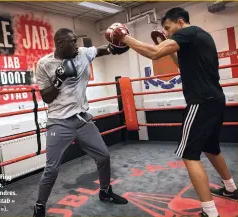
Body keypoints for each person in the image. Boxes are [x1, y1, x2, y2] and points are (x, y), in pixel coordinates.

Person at [107, 7, 238, 217]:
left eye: (168, 28)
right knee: (212, 148)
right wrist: (164, 44)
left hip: (200, 102)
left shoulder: (186, 32)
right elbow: (177, 62)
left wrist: (125, 37)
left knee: (189, 155)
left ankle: (210, 212)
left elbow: (154, 53)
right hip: (215, 99)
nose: (167, 33)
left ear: (179, 21)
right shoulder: (201, 36)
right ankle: (231, 188)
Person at [33, 28, 129, 217]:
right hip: (58, 122)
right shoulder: (44, 64)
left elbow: (102, 49)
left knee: (103, 156)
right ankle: (39, 207)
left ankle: (105, 191)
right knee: (51, 169)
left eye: (76, 41)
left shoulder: (82, 54)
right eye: (72, 42)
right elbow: (46, 98)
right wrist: (59, 79)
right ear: (60, 44)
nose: (76, 46)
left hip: (82, 119)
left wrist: (118, 45)